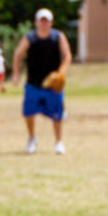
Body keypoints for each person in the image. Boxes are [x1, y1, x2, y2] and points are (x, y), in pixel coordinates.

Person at [11, 8, 72, 155]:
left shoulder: (58, 37)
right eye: (41, 20)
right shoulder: (30, 38)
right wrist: (16, 73)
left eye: (47, 20)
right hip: (33, 82)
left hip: (53, 84)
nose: (44, 23)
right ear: (36, 22)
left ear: (51, 22)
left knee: (57, 114)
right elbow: (18, 54)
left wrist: (61, 73)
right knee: (28, 113)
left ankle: (58, 142)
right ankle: (32, 138)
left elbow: (67, 55)